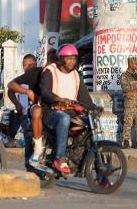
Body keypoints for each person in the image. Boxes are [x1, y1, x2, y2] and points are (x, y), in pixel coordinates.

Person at [40, 44, 98, 174]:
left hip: (71, 113)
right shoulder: (51, 71)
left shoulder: (76, 75)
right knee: (64, 117)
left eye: (74, 58)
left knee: (87, 124)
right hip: (51, 114)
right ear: (61, 59)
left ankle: (79, 160)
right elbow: (45, 92)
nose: (72, 61)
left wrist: (95, 108)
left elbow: (84, 98)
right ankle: (60, 158)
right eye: (69, 58)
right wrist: (60, 99)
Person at [7, 54, 45, 167]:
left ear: (36, 64)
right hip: (25, 113)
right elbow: (10, 91)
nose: (29, 67)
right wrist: (17, 104)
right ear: (23, 66)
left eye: (32, 64)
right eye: (26, 65)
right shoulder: (20, 80)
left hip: (37, 112)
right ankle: (28, 163)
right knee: (28, 136)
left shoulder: (38, 77)